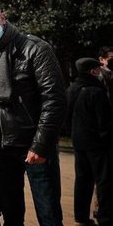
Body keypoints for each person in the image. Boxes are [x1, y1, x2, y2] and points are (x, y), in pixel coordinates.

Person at [0, 3, 66, 226]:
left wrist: (40, 145)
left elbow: (54, 100)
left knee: (48, 213)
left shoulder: (35, 48)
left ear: (2, 18)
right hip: (1, 149)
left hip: (34, 146)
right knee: (11, 215)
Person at [65, 57, 112, 226]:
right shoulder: (96, 92)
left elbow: (67, 117)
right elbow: (104, 121)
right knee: (104, 181)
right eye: (98, 69)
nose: (100, 72)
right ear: (92, 71)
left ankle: (81, 216)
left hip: (78, 142)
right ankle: (105, 217)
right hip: (97, 145)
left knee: (82, 180)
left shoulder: (71, 89)